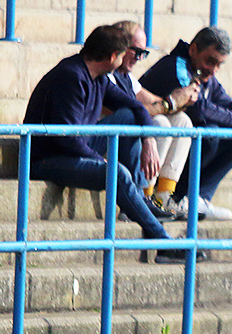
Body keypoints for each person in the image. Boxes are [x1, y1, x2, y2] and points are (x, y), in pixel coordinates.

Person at [22, 25, 196, 264]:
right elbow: (66, 139)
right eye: (124, 54)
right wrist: (100, 160)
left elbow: (135, 108)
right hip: (47, 158)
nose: (126, 60)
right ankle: (163, 242)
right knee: (117, 173)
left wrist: (149, 140)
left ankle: (137, 198)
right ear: (113, 56)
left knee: (128, 117)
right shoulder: (71, 76)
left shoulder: (99, 78)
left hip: (75, 147)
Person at [139, 26, 232, 221]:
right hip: (145, 140)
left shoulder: (203, 72)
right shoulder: (176, 66)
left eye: (219, 65)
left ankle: (197, 198)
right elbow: (197, 110)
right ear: (193, 50)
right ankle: (171, 196)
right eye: (210, 61)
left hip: (171, 140)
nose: (214, 70)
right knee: (208, 133)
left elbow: (223, 100)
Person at [109, 20, 200, 212]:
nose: (139, 58)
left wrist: (182, 100)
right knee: (159, 123)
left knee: (182, 121)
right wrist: (171, 102)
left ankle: (164, 194)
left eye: (143, 53)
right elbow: (132, 111)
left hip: (125, 137)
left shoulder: (127, 77)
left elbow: (155, 102)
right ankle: (143, 195)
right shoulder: (106, 75)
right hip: (106, 141)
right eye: (136, 51)